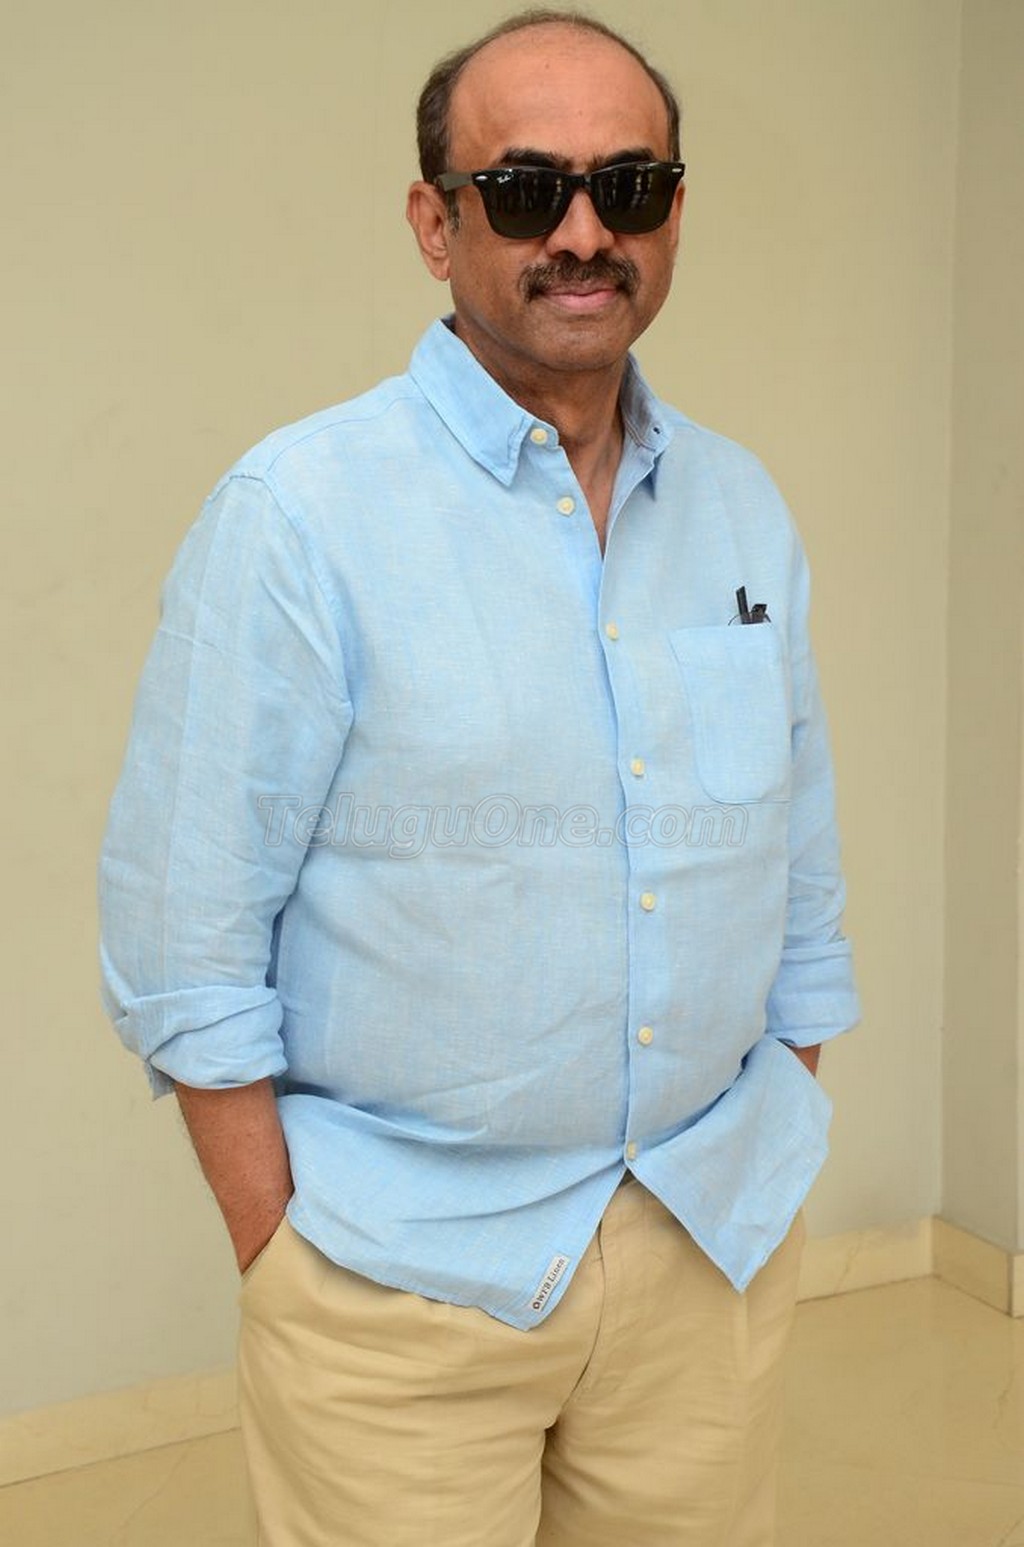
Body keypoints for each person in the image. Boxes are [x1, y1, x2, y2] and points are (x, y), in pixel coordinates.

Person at [99, 9, 859, 1545]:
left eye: (627, 186)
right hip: (401, 1283)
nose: (582, 233)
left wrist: (784, 1090)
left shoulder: (742, 507)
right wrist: (282, 1250)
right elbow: (182, 935)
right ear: (435, 225)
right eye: (525, 190)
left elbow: (798, 862)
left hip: (707, 1245)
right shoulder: (299, 516)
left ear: (673, 215)